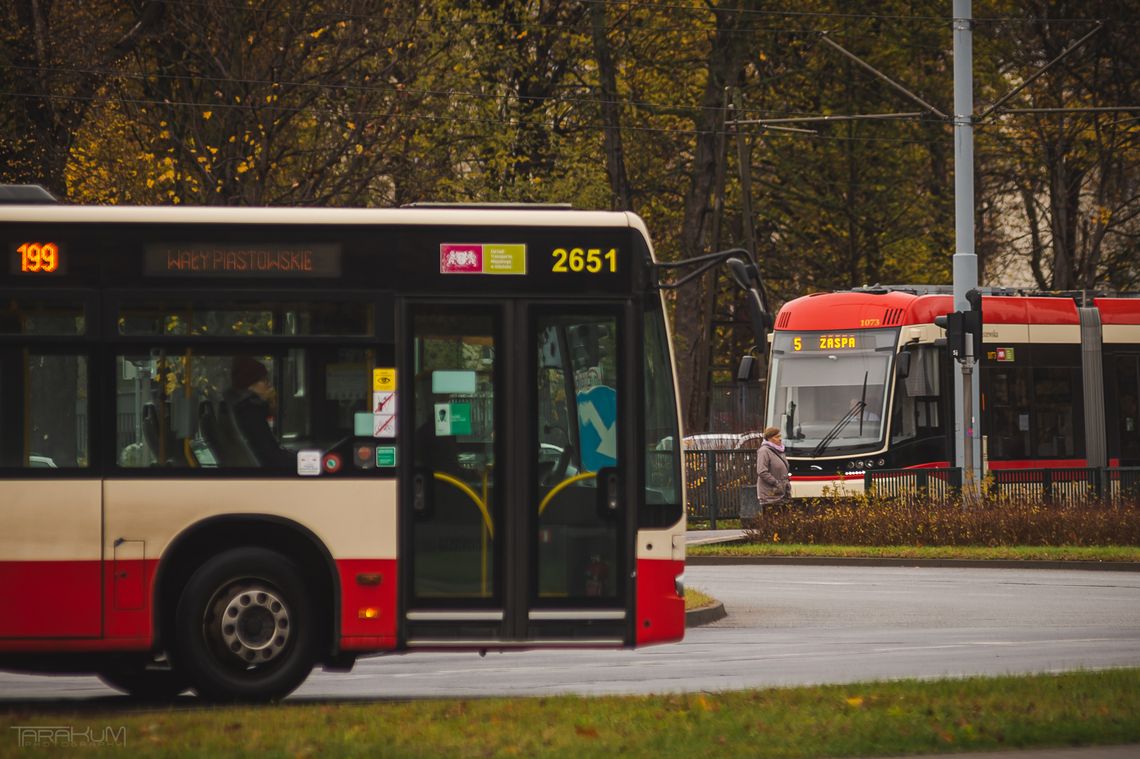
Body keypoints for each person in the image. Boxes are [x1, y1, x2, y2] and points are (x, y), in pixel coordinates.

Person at [227, 356, 293, 467]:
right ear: (250, 385)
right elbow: (271, 454)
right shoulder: (250, 411)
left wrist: (270, 405)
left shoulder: (247, 408)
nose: (269, 384)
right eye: (264, 380)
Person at [756, 426, 791, 508]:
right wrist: (776, 483)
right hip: (770, 495)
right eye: (777, 437)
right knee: (772, 514)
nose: (780, 439)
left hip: (781, 493)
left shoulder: (779, 451)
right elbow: (762, 471)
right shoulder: (764, 451)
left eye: (780, 436)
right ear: (769, 438)